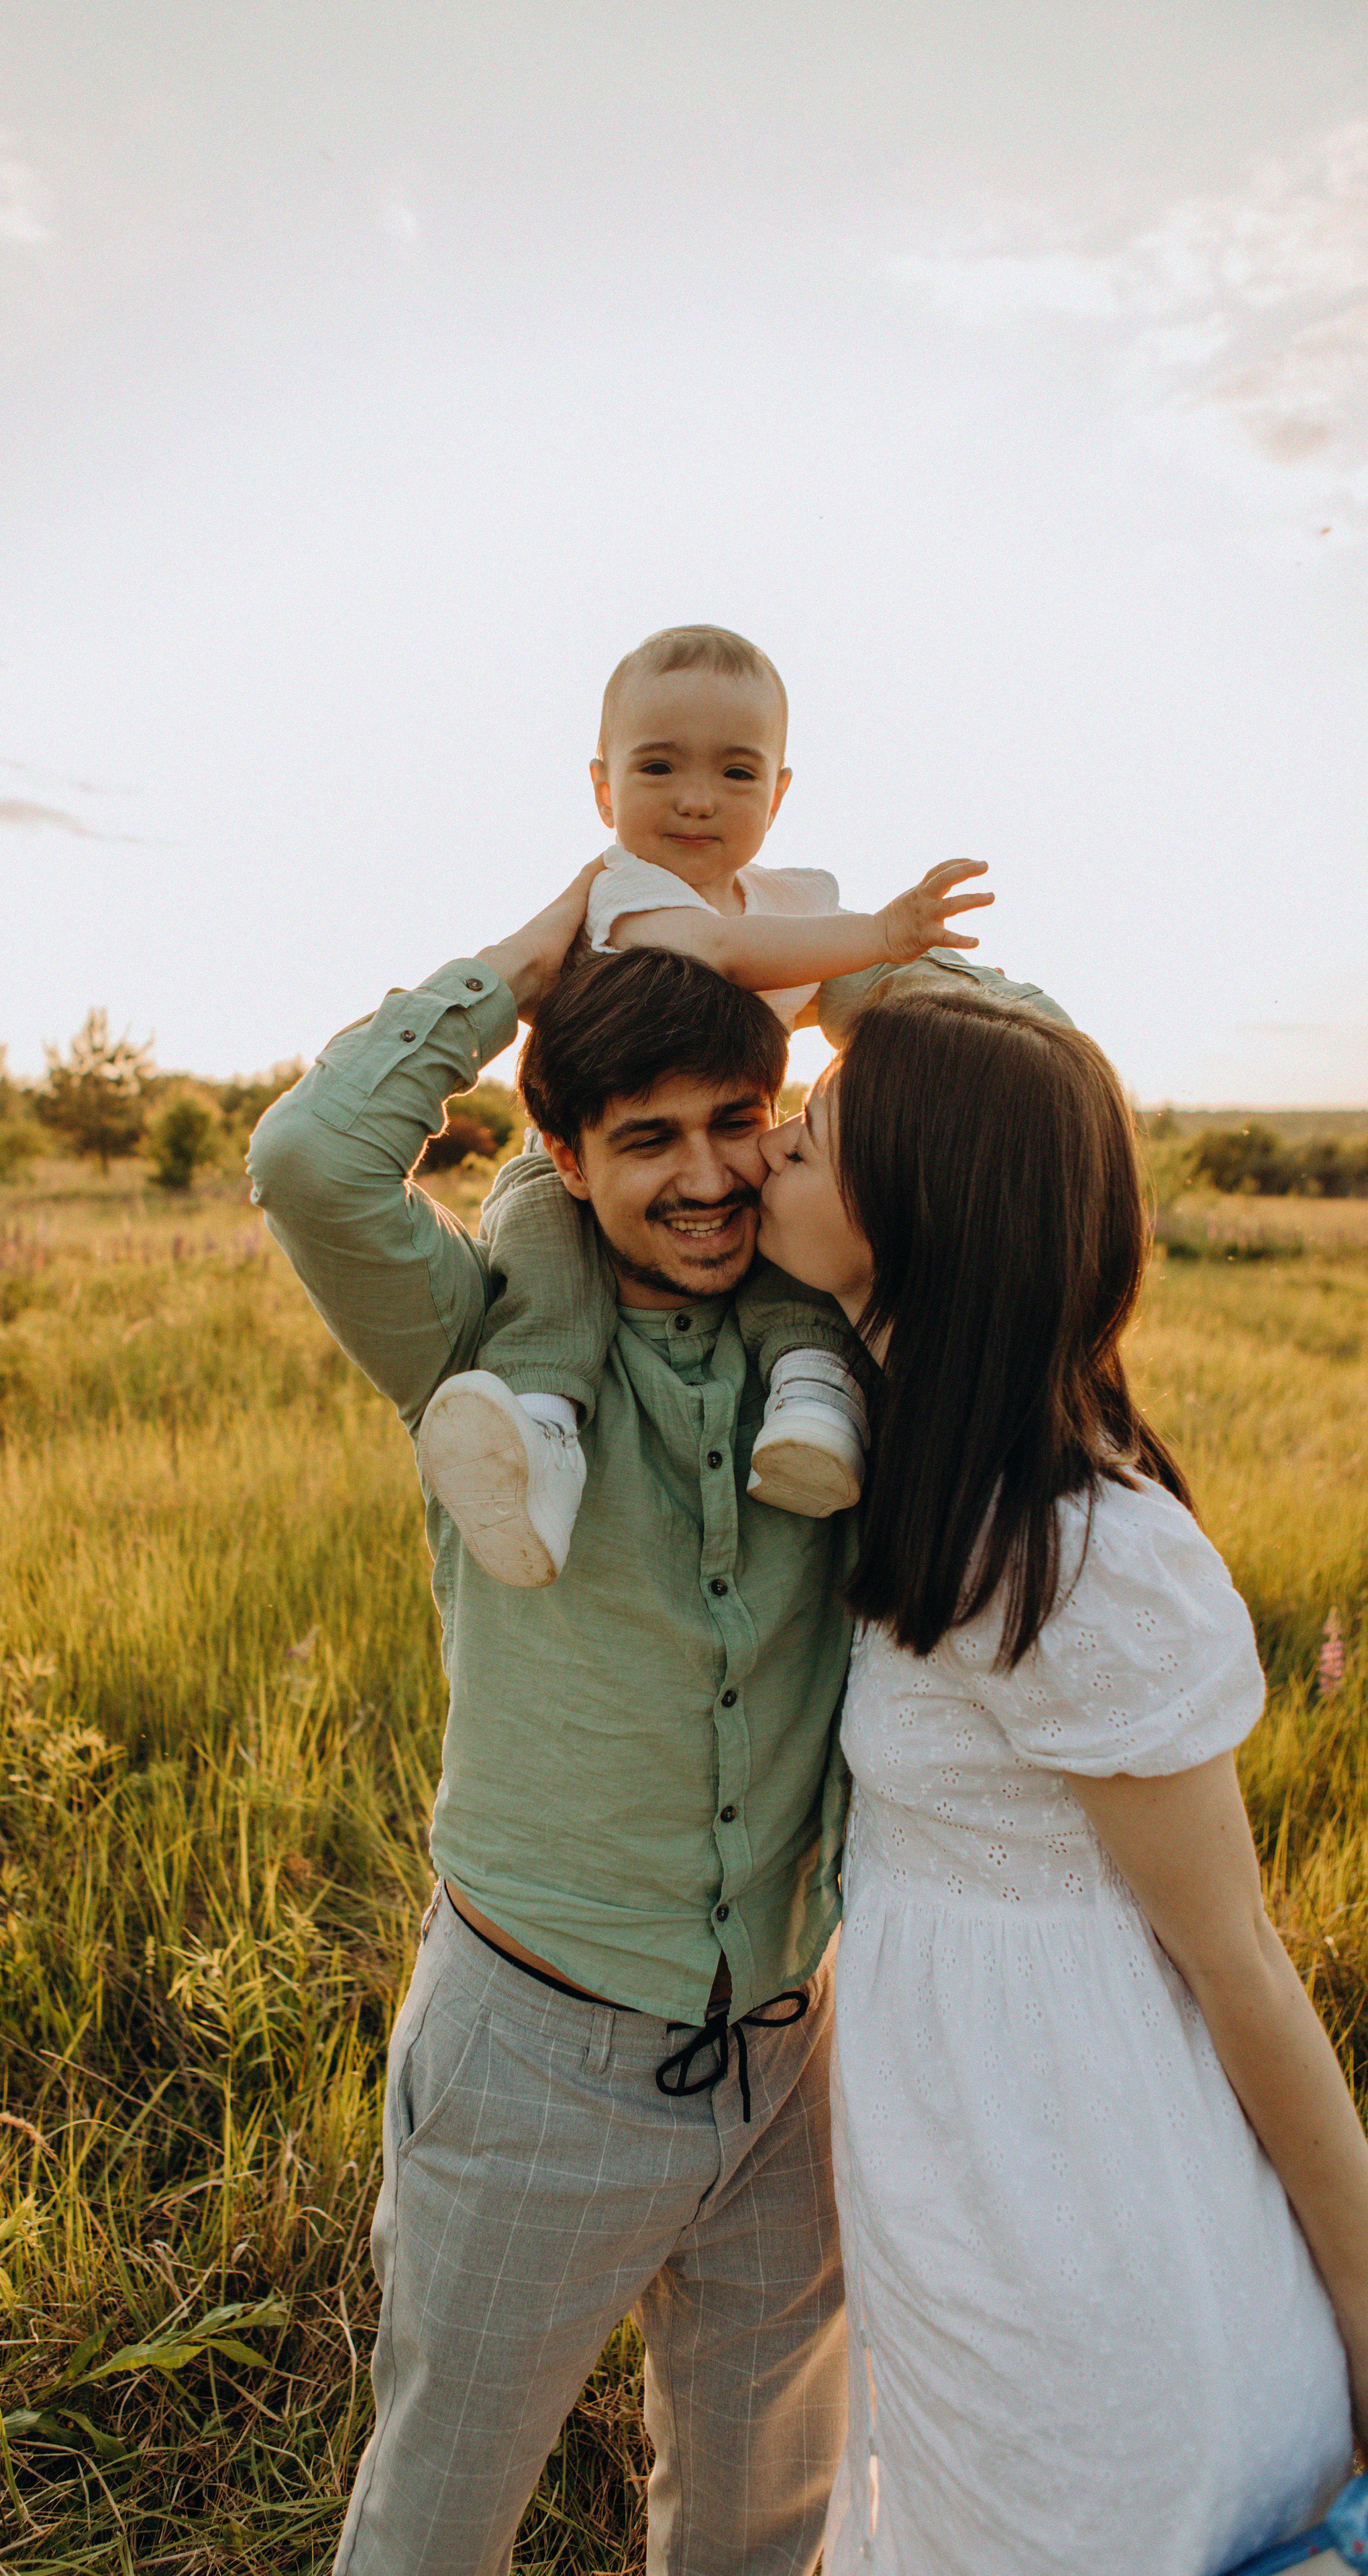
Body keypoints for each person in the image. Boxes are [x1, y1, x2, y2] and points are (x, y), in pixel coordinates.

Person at [248, 865, 1058, 2576]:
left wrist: (825, 969)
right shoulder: (471, 1333)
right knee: (434, 2526)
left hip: (796, 2053)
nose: (703, 1179)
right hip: (534, 2055)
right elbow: (310, 1161)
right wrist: (529, 960)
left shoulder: (846, 1326)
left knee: (761, 2535)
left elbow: (1040, 1089)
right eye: (645, 1139)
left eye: (733, 1125)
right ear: (562, 1156)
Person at [750, 983, 1368, 2576]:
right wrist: (846, 970)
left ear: (914, 1212)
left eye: (804, 1138)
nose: (760, 1156)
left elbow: (1236, 1966)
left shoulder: (1083, 1554)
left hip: (1082, 2214)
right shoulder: (902, 1454)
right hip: (954, 2177)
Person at [415, 624, 990, 1588]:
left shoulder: (784, 899)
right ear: (603, 789)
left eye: (735, 772)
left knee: (775, 1217)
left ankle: (813, 1408)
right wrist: (883, 934)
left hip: (719, 1143)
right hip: (586, 1163)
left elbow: (827, 990)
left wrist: (895, 980)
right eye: (657, 767)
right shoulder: (626, 894)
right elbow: (726, 958)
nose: (695, 799)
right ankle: (545, 1436)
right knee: (543, 1260)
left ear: (780, 791)